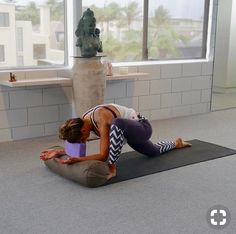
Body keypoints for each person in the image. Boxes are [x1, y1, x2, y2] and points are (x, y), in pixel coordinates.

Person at [40, 104, 192, 180]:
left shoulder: (102, 118)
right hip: (128, 135)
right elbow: (78, 150)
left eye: (81, 139)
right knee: (152, 152)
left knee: (117, 123)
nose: (83, 142)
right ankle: (176, 143)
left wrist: (78, 160)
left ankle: (113, 168)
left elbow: (103, 154)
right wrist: (60, 152)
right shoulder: (82, 124)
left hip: (142, 128)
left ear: (84, 131)